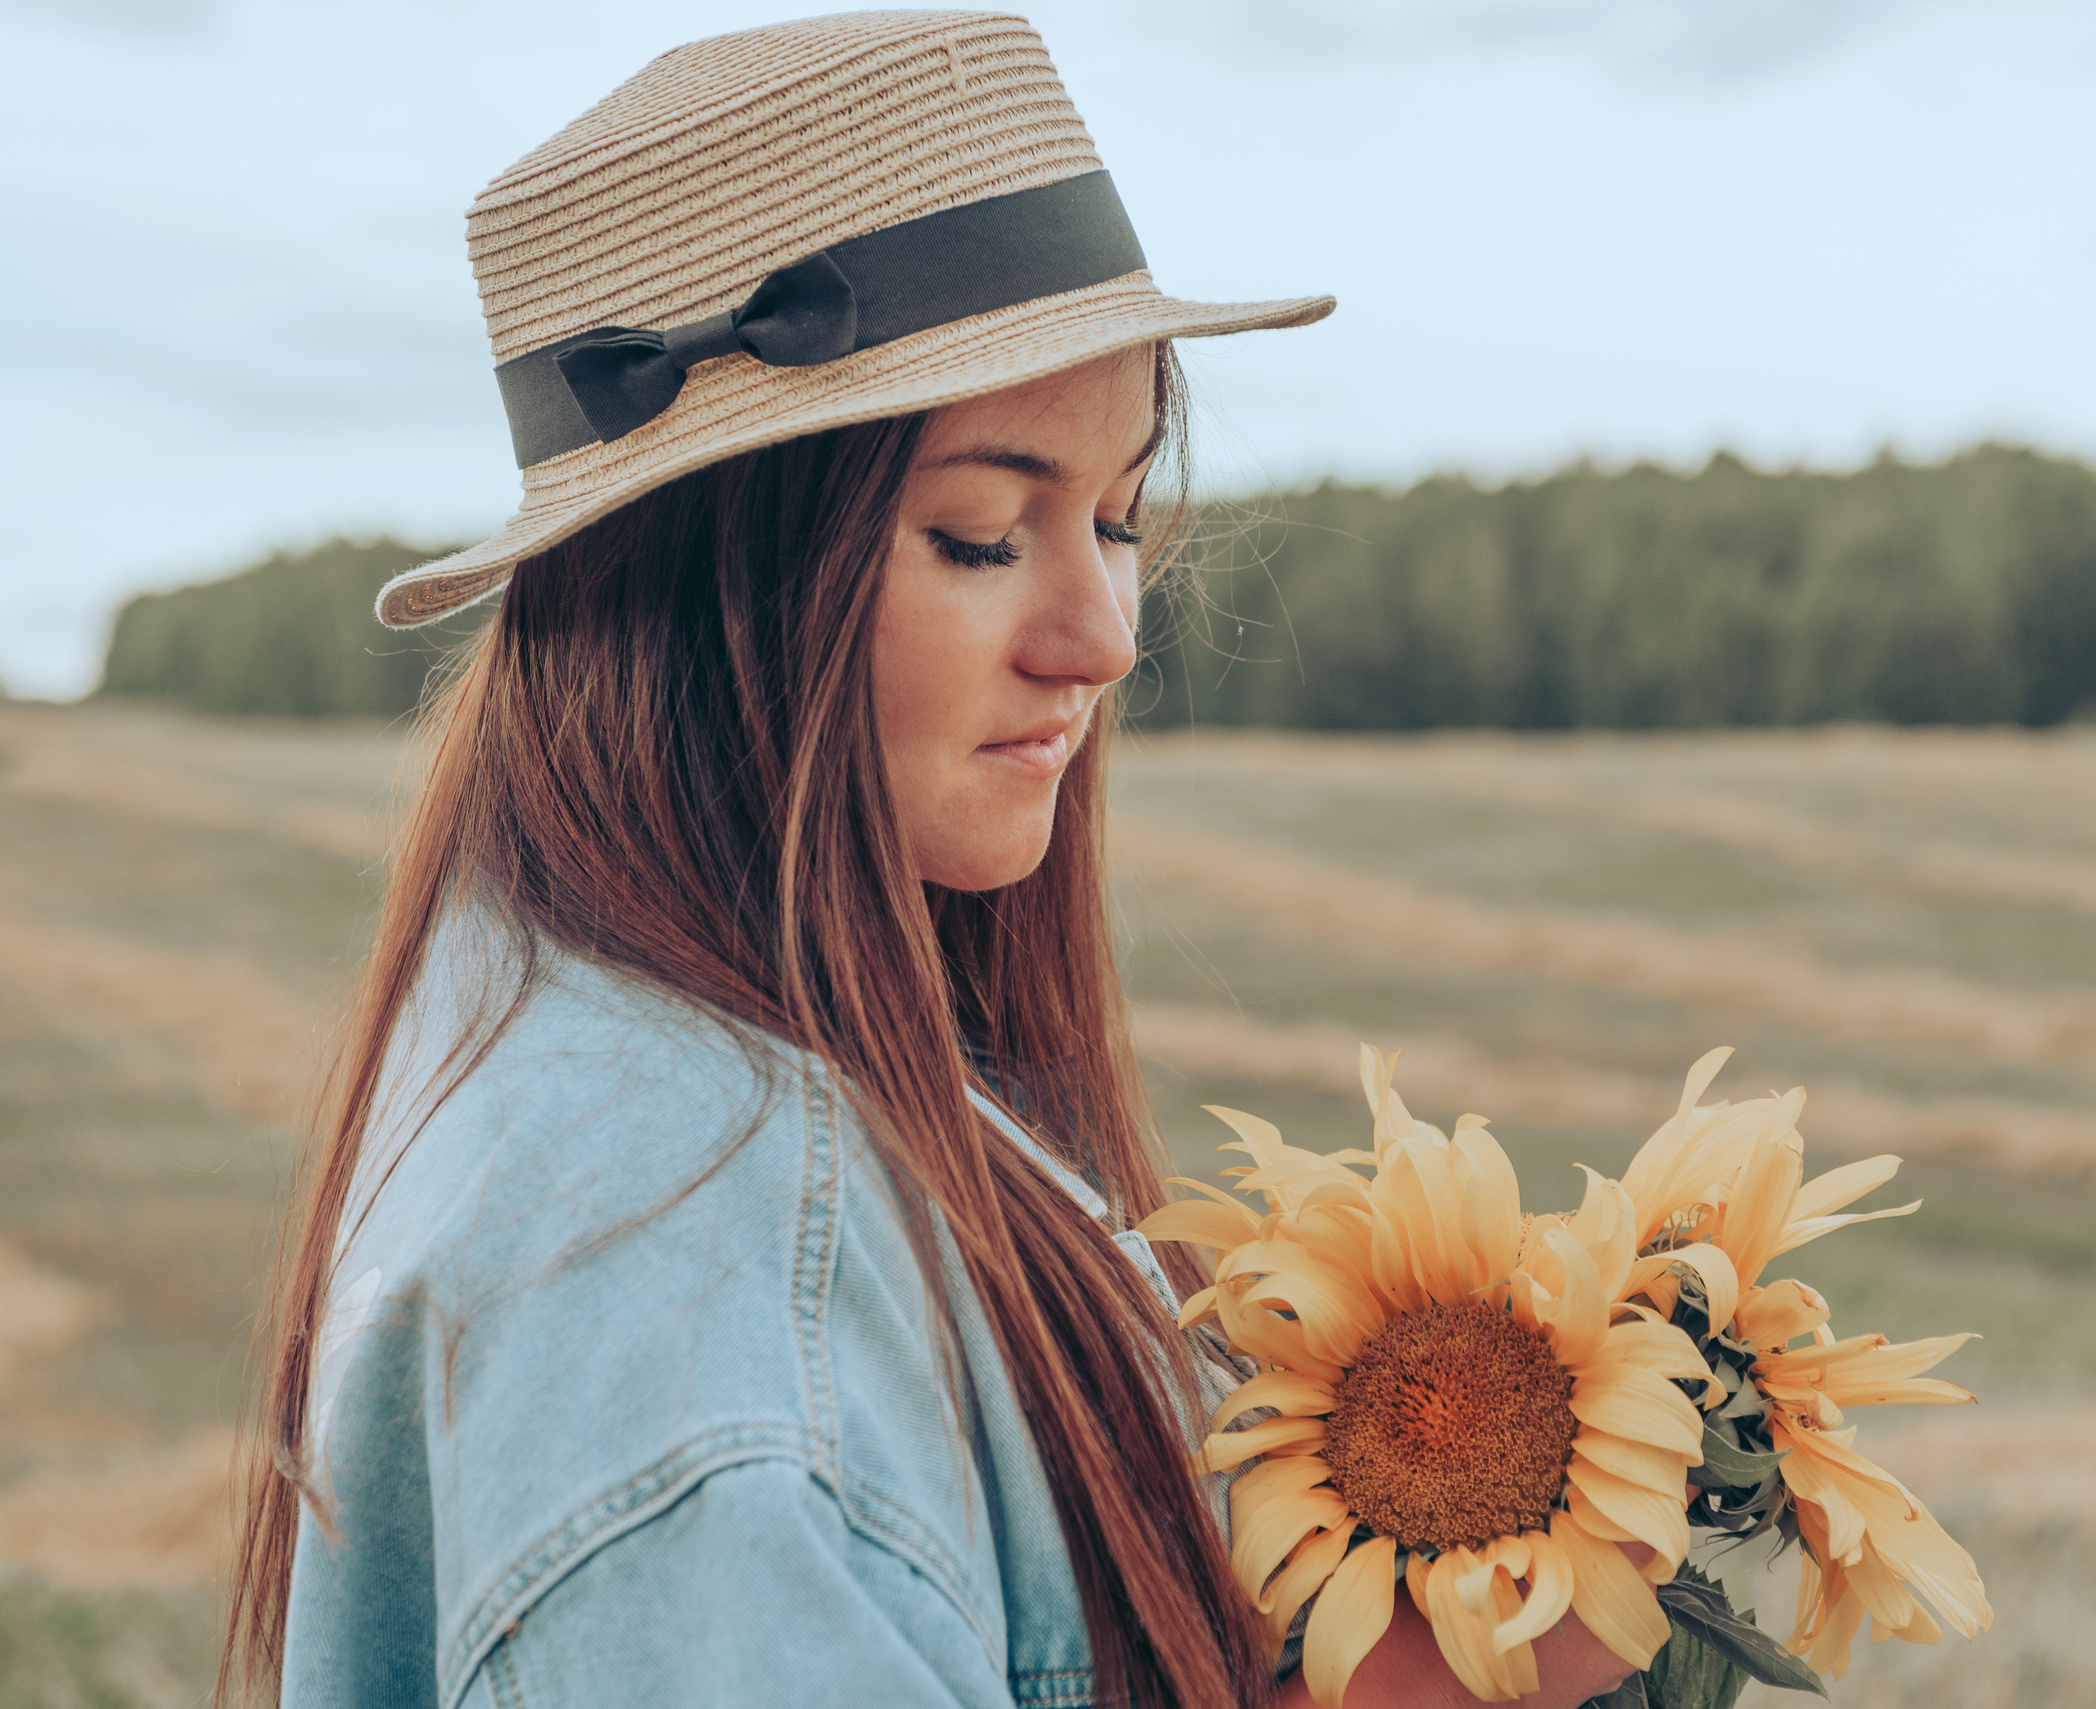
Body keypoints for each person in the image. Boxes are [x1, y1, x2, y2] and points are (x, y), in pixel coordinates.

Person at [223, 14, 1650, 1708]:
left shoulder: (610, 1019)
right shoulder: (698, 1285)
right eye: (983, 533)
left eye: (1119, 519)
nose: (1102, 638)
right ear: (714, 576)